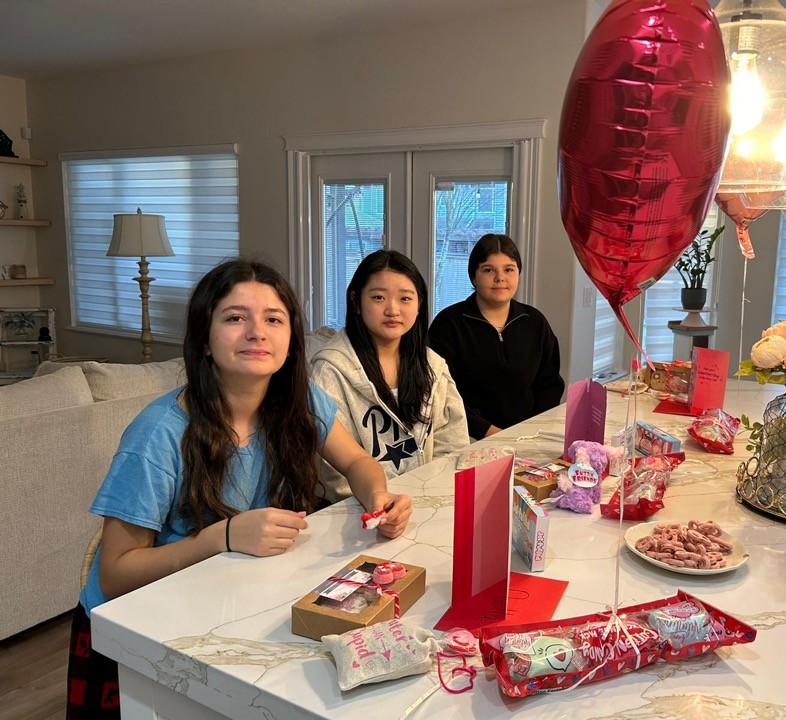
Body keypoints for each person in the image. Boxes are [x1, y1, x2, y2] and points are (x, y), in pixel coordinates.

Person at [66, 259, 411, 719]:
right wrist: (221, 538)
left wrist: (377, 497)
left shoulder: (299, 401)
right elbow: (115, 573)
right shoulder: (159, 433)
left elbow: (355, 460)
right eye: (234, 317)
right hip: (132, 631)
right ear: (204, 340)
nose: (256, 332)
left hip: (222, 599)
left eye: (273, 319)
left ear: (291, 339)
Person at [313, 249, 469, 503]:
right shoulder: (330, 371)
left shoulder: (432, 365)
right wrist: (379, 505)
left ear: (420, 305)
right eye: (378, 297)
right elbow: (330, 472)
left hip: (427, 503)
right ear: (356, 302)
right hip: (358, 513)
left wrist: (430, 496)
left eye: (405, 298)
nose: (393, 310)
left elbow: (452, 441)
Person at [429, 233, 564, 439]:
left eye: (509, 269)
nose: (500, 278)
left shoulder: (534, 321)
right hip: (467, 437)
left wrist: (530, 429)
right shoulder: (449, 324)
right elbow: (443, 394)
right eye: (488, 270)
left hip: (529, 435)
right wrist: (490, 433)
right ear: (473, 276)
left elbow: (549, 383)